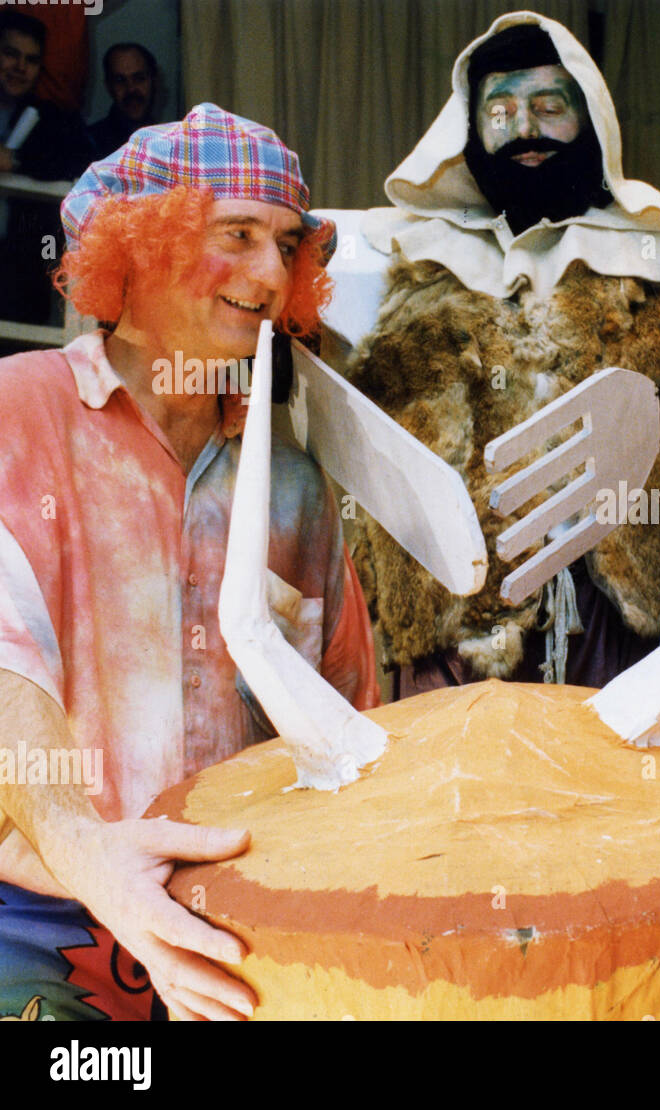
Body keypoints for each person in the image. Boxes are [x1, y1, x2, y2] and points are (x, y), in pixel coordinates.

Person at [0, 103, 378, 1022]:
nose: (270, 272)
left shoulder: (292, 482)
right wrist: (89, 855)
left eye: (288, 244)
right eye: (236, 235)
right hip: (43, 915)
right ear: (140, 247)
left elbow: (350, 715)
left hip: (251, 924)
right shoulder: (18, 412)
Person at [344, 10, 660, 697]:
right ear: (470, 130)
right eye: (500, 109)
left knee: (619, 794)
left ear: (588, 117)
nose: (524, 128)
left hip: (621, 620)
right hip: (457, 631)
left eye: (548, 105)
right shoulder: (402, 252)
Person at [0, 11, 94, 327]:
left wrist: (15, 163)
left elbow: (79, 159)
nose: (20, 67)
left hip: (19, 273)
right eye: (11, 54)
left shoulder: (49, 118)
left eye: (31, 59)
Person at [87, 42, 159, 160]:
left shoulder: (171, 141)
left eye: (139, 79)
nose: (131, 89)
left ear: (154, 81)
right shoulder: (88, 143)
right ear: (109, 86)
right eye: (120, 80)